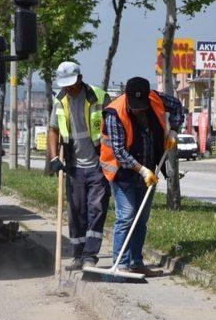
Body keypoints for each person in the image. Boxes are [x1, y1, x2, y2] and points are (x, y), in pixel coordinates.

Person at [100, 77, 184, 276]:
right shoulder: (114, 113)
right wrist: (142, 170)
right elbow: (119, 152)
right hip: (123, 173)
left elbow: (178, 106)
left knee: (141, 219)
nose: (138, 110)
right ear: (127, 97)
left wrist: (174, 129)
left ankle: (136, 263)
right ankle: (120, 264)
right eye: (135, 106)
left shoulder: (155, 98)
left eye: (142, 105)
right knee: (127, 217)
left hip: (149, 168)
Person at [48, 62, 111, 270]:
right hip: (74, 166)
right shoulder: (60, 101)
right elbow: (53, 130)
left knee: (97, 209)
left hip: (98, 164)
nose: (69, 89)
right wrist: (54, 158)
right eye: (65, 85)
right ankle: (78, 255)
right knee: (76, 212)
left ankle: (90, 256)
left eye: (72, 84)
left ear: (81, 78)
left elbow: (113, 127)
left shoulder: (99, 97)